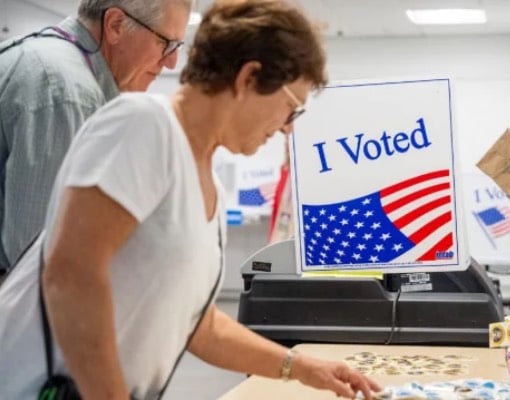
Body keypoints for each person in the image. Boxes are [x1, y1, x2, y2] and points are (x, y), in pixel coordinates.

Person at [0, 1, 382, 399]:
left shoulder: (206, 187)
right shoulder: (143, 124)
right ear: (249, 78)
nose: (287, 129)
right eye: (291, 108)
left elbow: (197, 325)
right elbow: (70, 275)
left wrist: (301, 367)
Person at [0, 0, 191, 279]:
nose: (172, 61)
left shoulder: (40, 56)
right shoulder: (67, 91)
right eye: (166, 43)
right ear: (114, 25)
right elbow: (42, 265)